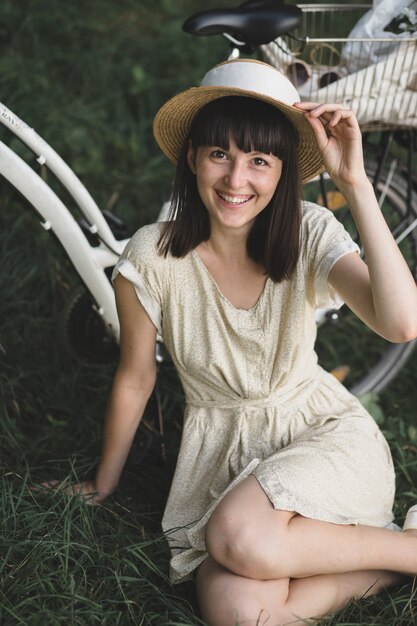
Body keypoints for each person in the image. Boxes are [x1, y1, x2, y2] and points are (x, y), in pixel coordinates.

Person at [49, 59, 417, 625]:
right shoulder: (151, 258)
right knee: (244, 615)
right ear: (193, 154)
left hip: (320, 435)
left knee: (240, 537)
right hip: (219, 455)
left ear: (283, 172)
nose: (236, 179)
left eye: (260, 161)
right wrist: (103, 482)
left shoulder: (309, 231)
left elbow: (402, 324)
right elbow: (136, 376)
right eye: (220, 153)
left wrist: (356, 185)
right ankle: (387, 560)